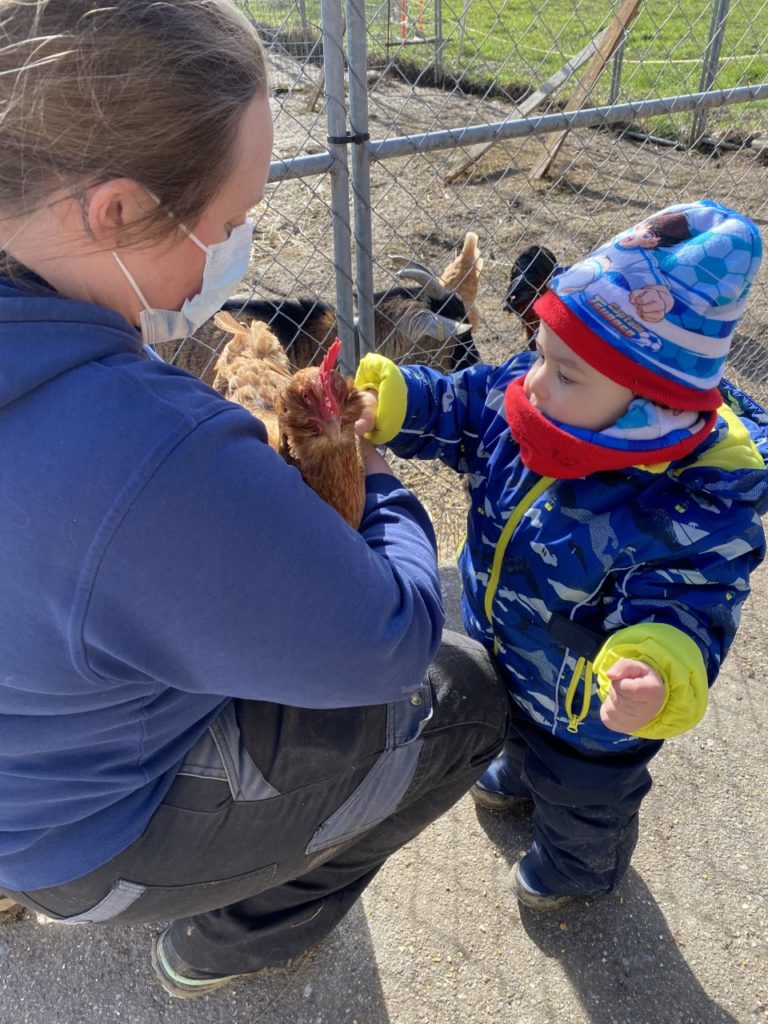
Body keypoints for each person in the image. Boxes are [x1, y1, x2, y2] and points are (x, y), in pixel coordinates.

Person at [0, 0, 510, 999]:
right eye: (230, 223)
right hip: (86, 836)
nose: (233, 249)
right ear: (111, 211)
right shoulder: (148, 450)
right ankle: (234, 932)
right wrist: (372, 473)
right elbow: (389, 637)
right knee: (467, 694)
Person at [354, 199, 768, 911]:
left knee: (584, 803)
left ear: (650, 402)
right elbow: (461, 405)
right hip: (506, 654)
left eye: (565, 372)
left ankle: (582, 869)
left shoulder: (689, 503)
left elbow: (691, 605)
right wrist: (394, 404)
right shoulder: (532, 396)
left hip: (590, 716)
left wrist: (656, 672)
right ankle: (517, 770)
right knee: (509, 732)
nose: (534, 382)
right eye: (542, 352)